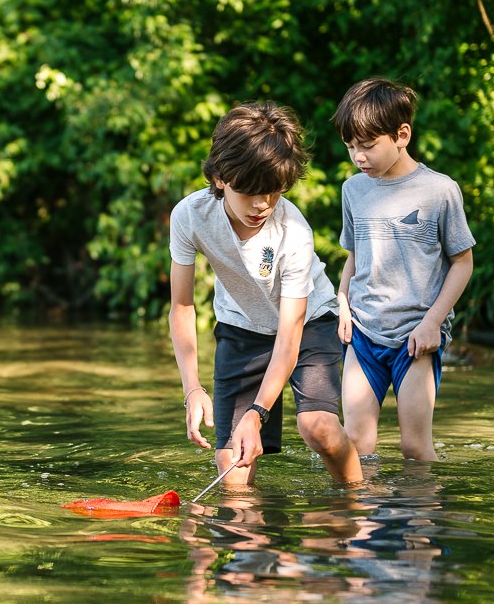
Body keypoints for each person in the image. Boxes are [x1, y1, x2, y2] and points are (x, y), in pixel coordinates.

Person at [169, 102, 363, 487]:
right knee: (233, 479)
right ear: (221, 178)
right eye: (251, 192)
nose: (262, 205)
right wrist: (192, 390)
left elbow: (290, 335)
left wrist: (257, 413)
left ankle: (356, 501)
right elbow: (182, 305)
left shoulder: (293, 233)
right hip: (240, 328)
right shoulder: (190, 216)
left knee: (318, 428)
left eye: (273, 193)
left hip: (307, 324)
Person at [331, 78, 475, 461]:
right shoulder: (353, 190)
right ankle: (363, 521)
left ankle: (420, 521)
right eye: (350, 147)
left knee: (414, 447)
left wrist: (433, 322)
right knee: (356, 445)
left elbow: (463, 262)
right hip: (362, 333)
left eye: (367, 146)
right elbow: (355, 255)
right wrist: (342, 302)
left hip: (416, 338)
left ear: (402, 135)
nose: (358, 157)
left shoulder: (439, 191)